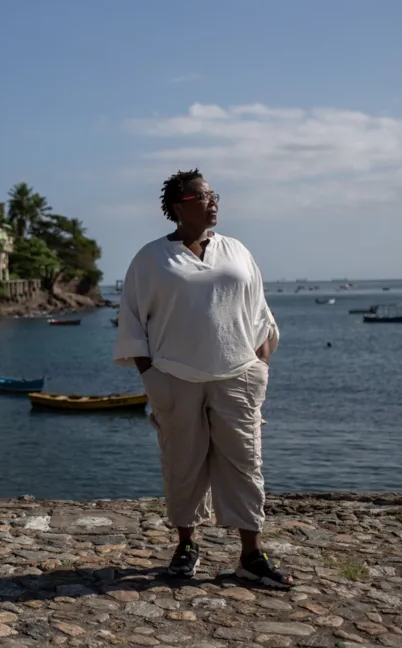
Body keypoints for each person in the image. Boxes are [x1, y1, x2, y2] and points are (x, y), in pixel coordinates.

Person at [113, 169, 292, 588]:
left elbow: (260, 313)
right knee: (182, 462)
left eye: (214, 194)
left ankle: (251, 554)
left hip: (237, 375)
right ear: (179, 206)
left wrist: (259, 365)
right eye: (202, 196)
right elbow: (132, 322)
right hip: (174, 376)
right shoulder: (151, 258)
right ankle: (186, 545)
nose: (213, 201)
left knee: (245, 463)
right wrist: (151, 376)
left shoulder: (237, 251)